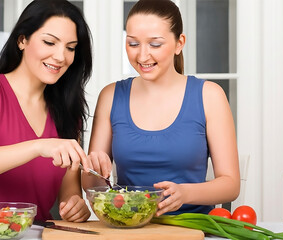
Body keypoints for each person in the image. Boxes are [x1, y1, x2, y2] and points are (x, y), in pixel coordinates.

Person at [82, 0, 240, 216]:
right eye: (133, 43)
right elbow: (92, 185)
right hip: (130, 226)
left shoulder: (209, 96)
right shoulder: (111, 96)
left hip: (191, 229)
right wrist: (94, 169)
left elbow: (230, 185)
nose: (142, 56)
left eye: (155, 44)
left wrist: (185, 193)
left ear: (179, 43)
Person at [0, 0, 93, 223]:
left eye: (70, 48)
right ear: (22, 40)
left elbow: (69, 194)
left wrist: (76, 206)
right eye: (49, 42)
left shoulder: (68, 114)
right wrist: (37, 146)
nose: (61, 56)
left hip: (32, 234)